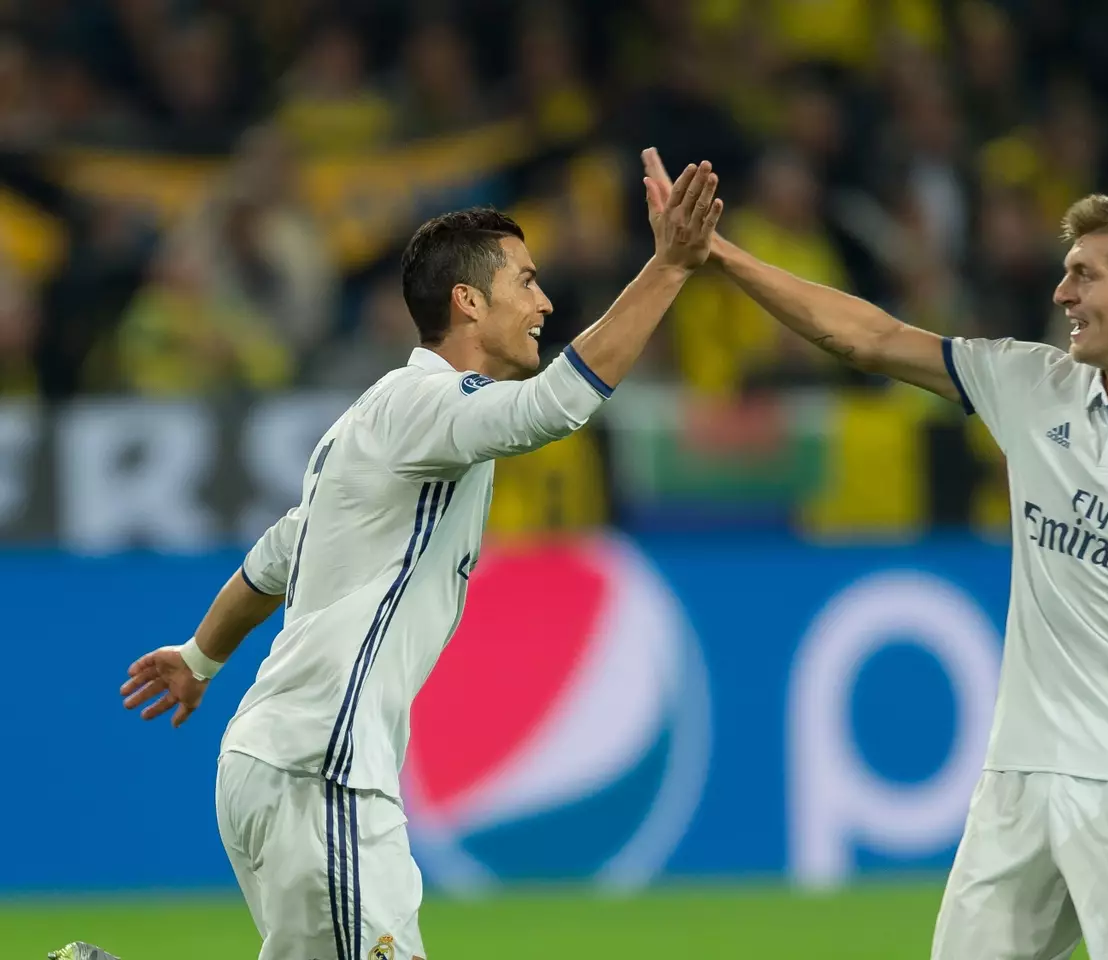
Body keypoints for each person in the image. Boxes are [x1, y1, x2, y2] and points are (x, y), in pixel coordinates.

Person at [643, 149, 1108, 959]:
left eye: (1084, 275)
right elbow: (865, 336)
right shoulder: (1031, 386)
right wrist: (715, 255)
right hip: (1016, 783)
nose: (1060, 293)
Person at [119, 161, 725, 960]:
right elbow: (559, 405)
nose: (544, 303)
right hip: (319, 769)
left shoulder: (371, 425)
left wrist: (201, 656)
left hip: (292, 765)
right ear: (468, 301)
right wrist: (669, 266)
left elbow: (271, 563)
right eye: (527, 281)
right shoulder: (426, 406)